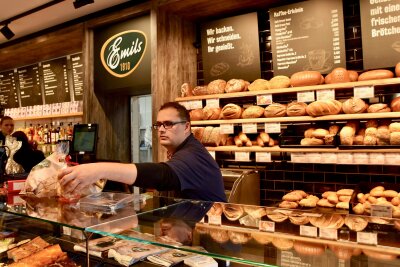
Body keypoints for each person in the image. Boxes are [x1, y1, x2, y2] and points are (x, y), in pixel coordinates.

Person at [59, 102, 226, 202]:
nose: (161, 129)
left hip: (212, 247)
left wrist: (99, 170)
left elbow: (162, 175)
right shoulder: (181, 151)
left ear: (187, 127)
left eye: (168, 124)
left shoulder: (193, 155)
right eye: (158, 124)